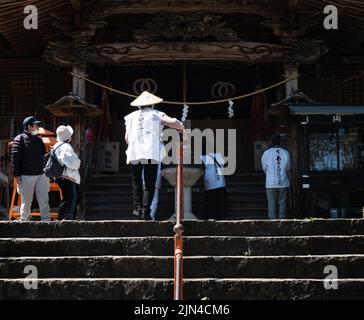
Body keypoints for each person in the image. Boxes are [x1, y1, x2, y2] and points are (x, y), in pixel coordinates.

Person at [124, 91, 184, 220]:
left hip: (134, 151)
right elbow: (172, 122)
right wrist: (181, 127)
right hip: (150, 151)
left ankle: (137, 208)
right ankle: (146, 211)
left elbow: (127, 138)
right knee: (150, 182)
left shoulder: (130, 117)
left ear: (139, 105)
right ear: (152, 104)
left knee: (136, 180)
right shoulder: (156, 114)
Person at [10, 116, 50, 221]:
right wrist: (16, 174)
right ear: (29, 126)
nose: (38, 127)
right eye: (36, 125)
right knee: (26, 201)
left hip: (41, 175)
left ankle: (47, 222)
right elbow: (15, 158)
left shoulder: (39, 139)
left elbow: (43, 155)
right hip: (26, 175)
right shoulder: (20, 138)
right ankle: (24, 222)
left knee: (44, 200)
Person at [54, 125, 81, 221]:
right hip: (67, 176)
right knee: (72, 198)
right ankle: (68, 219)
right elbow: (73, 163)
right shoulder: (66, 147)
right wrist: (78, 161)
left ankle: (62, 217)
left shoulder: (57, 145)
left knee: (66, 198)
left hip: (60, 176)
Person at [261, 134, 290, 219]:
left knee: (271, 203)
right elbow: (288, 168)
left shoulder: (266, 153)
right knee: (282, 203)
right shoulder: (286, 153)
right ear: (280, 142)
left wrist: (270, 173)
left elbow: (264, 168)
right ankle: (282, 222)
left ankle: (273, 223)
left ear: (270, 142)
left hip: (271, 183)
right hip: (283, 182)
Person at [200, 145, 228, 220]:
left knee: (211, 204)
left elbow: (201, 170)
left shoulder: (202, 157)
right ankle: (222, 218)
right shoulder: (219, 156)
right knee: (221, 203)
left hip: (210, 184)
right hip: (221, 182)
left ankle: (211, 218)